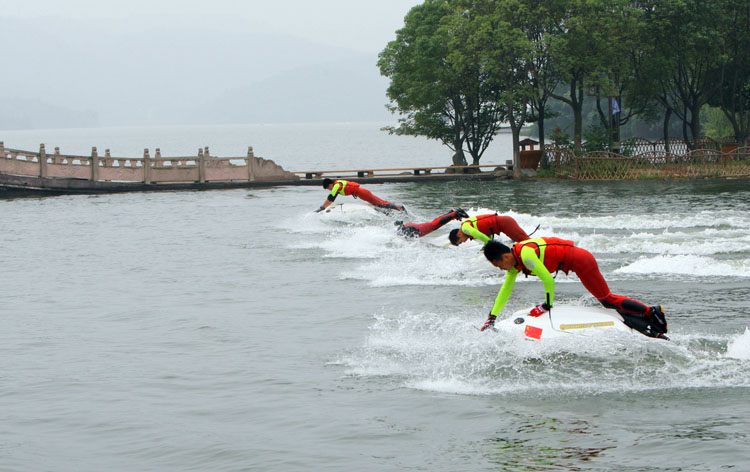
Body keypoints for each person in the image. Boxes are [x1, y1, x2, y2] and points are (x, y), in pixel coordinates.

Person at [479, 238, 668, 339]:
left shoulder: (525, 255)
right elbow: (505, 291)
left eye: (499, 266)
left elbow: (548, 280)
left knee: (607, 299)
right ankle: (645, 322)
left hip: (581, 260)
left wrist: (547, 305)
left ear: (504, 257)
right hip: (576, 262)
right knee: (606, 302)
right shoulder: (514, 265)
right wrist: (491, 318)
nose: (502, 270)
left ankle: (652, 313)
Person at [316, 178, 405, 212]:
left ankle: (399, 209)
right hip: (362, 193)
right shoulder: (337, 185)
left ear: (330, 184)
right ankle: (396, 210)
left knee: (380, 204)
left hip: (362, 193)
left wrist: (322, 208)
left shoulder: (336, 186)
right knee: (379, 203)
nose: (329, 189)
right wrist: (323, 207)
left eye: (328, 188)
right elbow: (332, 199)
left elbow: (330, 198)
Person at [449, 213, 530, 246]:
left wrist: (492, 245)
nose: (464, 242)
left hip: (505, 223)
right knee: (522, 242)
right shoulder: (466, 228)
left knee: (527, 242)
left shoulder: (465, 228)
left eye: (461, 241)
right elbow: (487, 234)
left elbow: (479, 235)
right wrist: (485, 247)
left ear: (459, 234)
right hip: (504, 225)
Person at [395, 208, 469, 238]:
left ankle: (455, 213)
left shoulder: (399, 236)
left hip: (411, 229)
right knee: (433, 225)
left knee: (433, 225)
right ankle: (451, 214)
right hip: (408, 227)